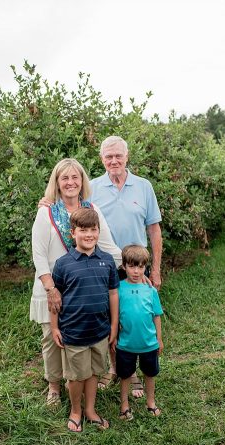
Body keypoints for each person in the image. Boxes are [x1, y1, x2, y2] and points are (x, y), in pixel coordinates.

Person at [31, 158, 121, 407]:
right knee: (52, 337)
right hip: (52, 285)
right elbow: (38, 255)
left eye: (75, 177)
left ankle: (86, 380)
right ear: (57, 183)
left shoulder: (92, 209)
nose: (70, 182)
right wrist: (51, 289)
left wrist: (134, 265)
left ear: (82, 181)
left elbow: (107, 246)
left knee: (83, 336)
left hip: (82, 289)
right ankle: (54, 386)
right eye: (64, 178)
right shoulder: (46, 212)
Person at [91, 136, 163, 398]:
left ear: (127, 156)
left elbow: (154, 229)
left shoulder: (143, 186)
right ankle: (115, 368)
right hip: (103, 267)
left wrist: (154, 269)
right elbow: (69, 205)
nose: (113, 161)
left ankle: (133, 374)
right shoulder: (92, 187)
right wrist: (46, 202)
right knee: (110, 320)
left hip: (135, 267)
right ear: (102, 159)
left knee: (135, 319)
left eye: (118, 156)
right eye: (108, 157)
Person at [50, 207, 120, 432]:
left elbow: (113, 294)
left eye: (93, 229)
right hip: (74, 332)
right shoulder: (63, 264)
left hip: (100, 331)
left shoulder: (107, 261)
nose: (89, 234)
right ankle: (76, 411)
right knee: (77, 376)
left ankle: (90, 409)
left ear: (99, 231)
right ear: (73, 233)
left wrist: (113, 325)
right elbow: (55, 300)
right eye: (83, 230)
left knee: (93, 373)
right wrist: (54, 327)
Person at [111, 245, 164, 421]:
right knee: (125, 375)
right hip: (126, 343)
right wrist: (115, 336)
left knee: (150, 373)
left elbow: (156, 316)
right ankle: (124, 406)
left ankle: (151, 402)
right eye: (132, 266)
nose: (136, 271)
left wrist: (159, 339)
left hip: (148, 342)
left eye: (140, 267)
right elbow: (115, 316)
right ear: (124, 266)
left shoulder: (151, 290)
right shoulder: (118, 289)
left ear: (145, 267)